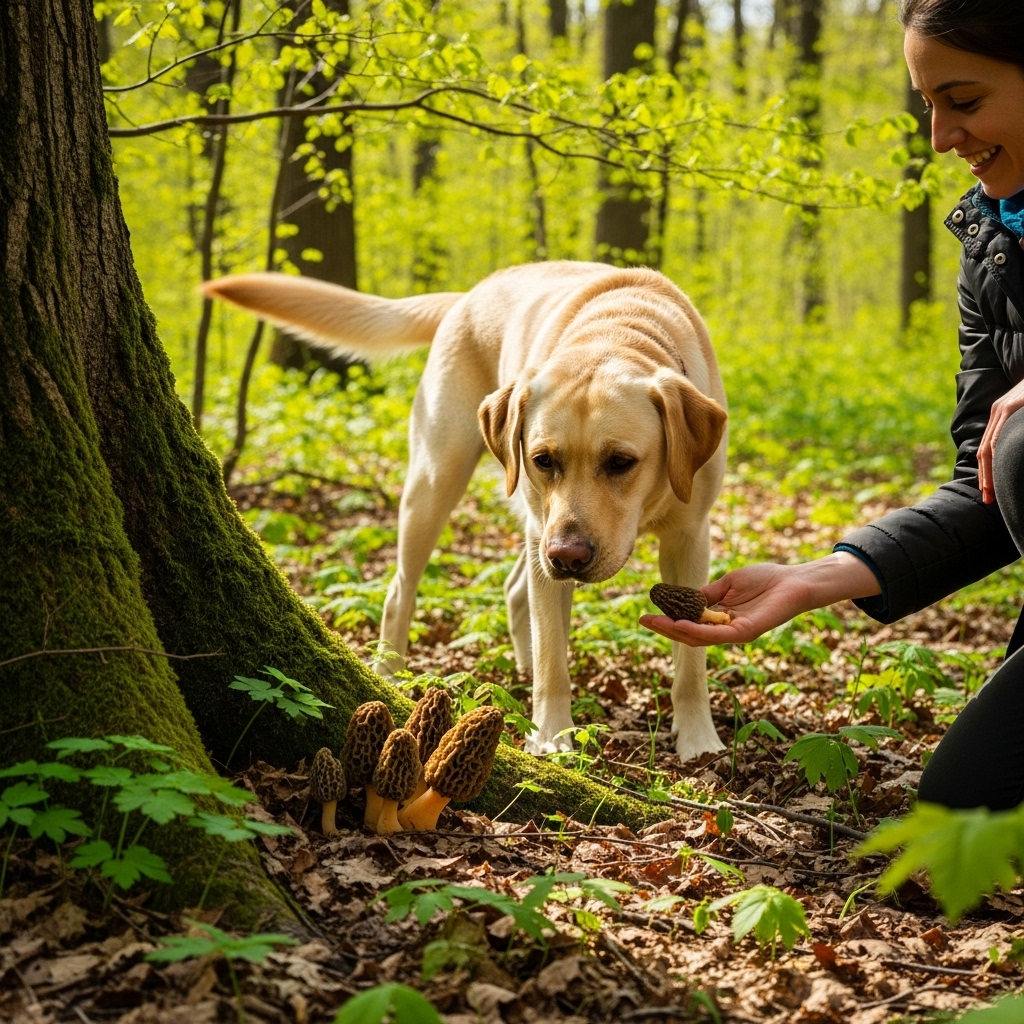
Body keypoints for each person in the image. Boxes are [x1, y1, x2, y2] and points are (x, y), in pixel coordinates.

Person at [641, 0, 1024, 812]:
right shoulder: (993, 246)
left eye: (964, 101)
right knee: (961, 807)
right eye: (927, 106)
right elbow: (986, 488)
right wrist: (817, 579)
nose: (941, 138)